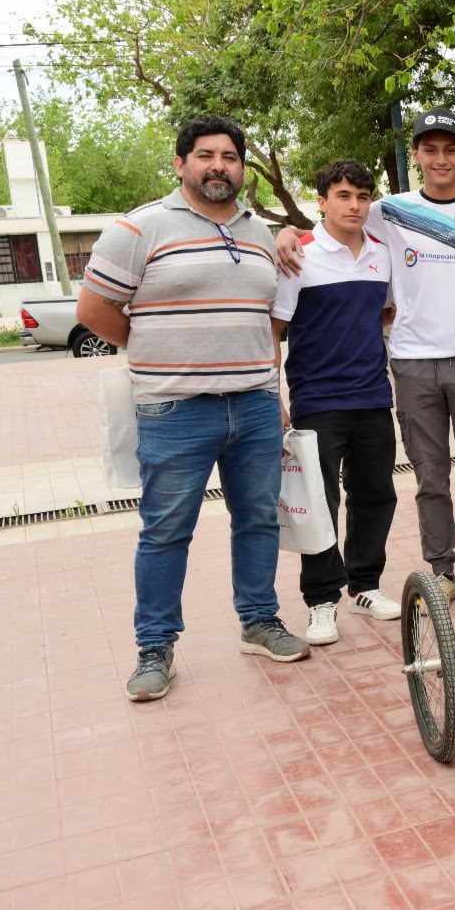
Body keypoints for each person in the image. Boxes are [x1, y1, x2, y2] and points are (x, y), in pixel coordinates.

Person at [76, 113, 310, 701]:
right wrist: (155, 349)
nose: (219, 167)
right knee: (164, 532)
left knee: (257, 520)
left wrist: (272, 393)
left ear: (241, 168)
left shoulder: (260, 233)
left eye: (230, 157)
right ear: (181, 164)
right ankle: (155, 648)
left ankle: (259, 621)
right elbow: (93, 311)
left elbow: (266, 320)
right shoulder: (139, 229)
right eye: (206, 156)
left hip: (254, 406)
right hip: (175, 411)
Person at [275, 107, 455, 604]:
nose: (441, 159)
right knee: (430, 478)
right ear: (415, 155)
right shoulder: (388, 211)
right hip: (410, 364)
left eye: (451, 149)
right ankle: (443, 567)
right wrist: (286, 235)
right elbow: (328, 231)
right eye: (429, 149)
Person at [272, 158, 401, 648]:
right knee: (320, 502)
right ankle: (321, 600)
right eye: (343, 196)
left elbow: (384, 313)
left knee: (375, 494)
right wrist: (275, 395)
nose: (354, 205)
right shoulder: (298, 254)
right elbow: (275, 330)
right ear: (321, 201)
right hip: (317, 399)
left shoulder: (382, 253)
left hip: (372, 395)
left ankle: (365, 585)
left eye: (362, 196)